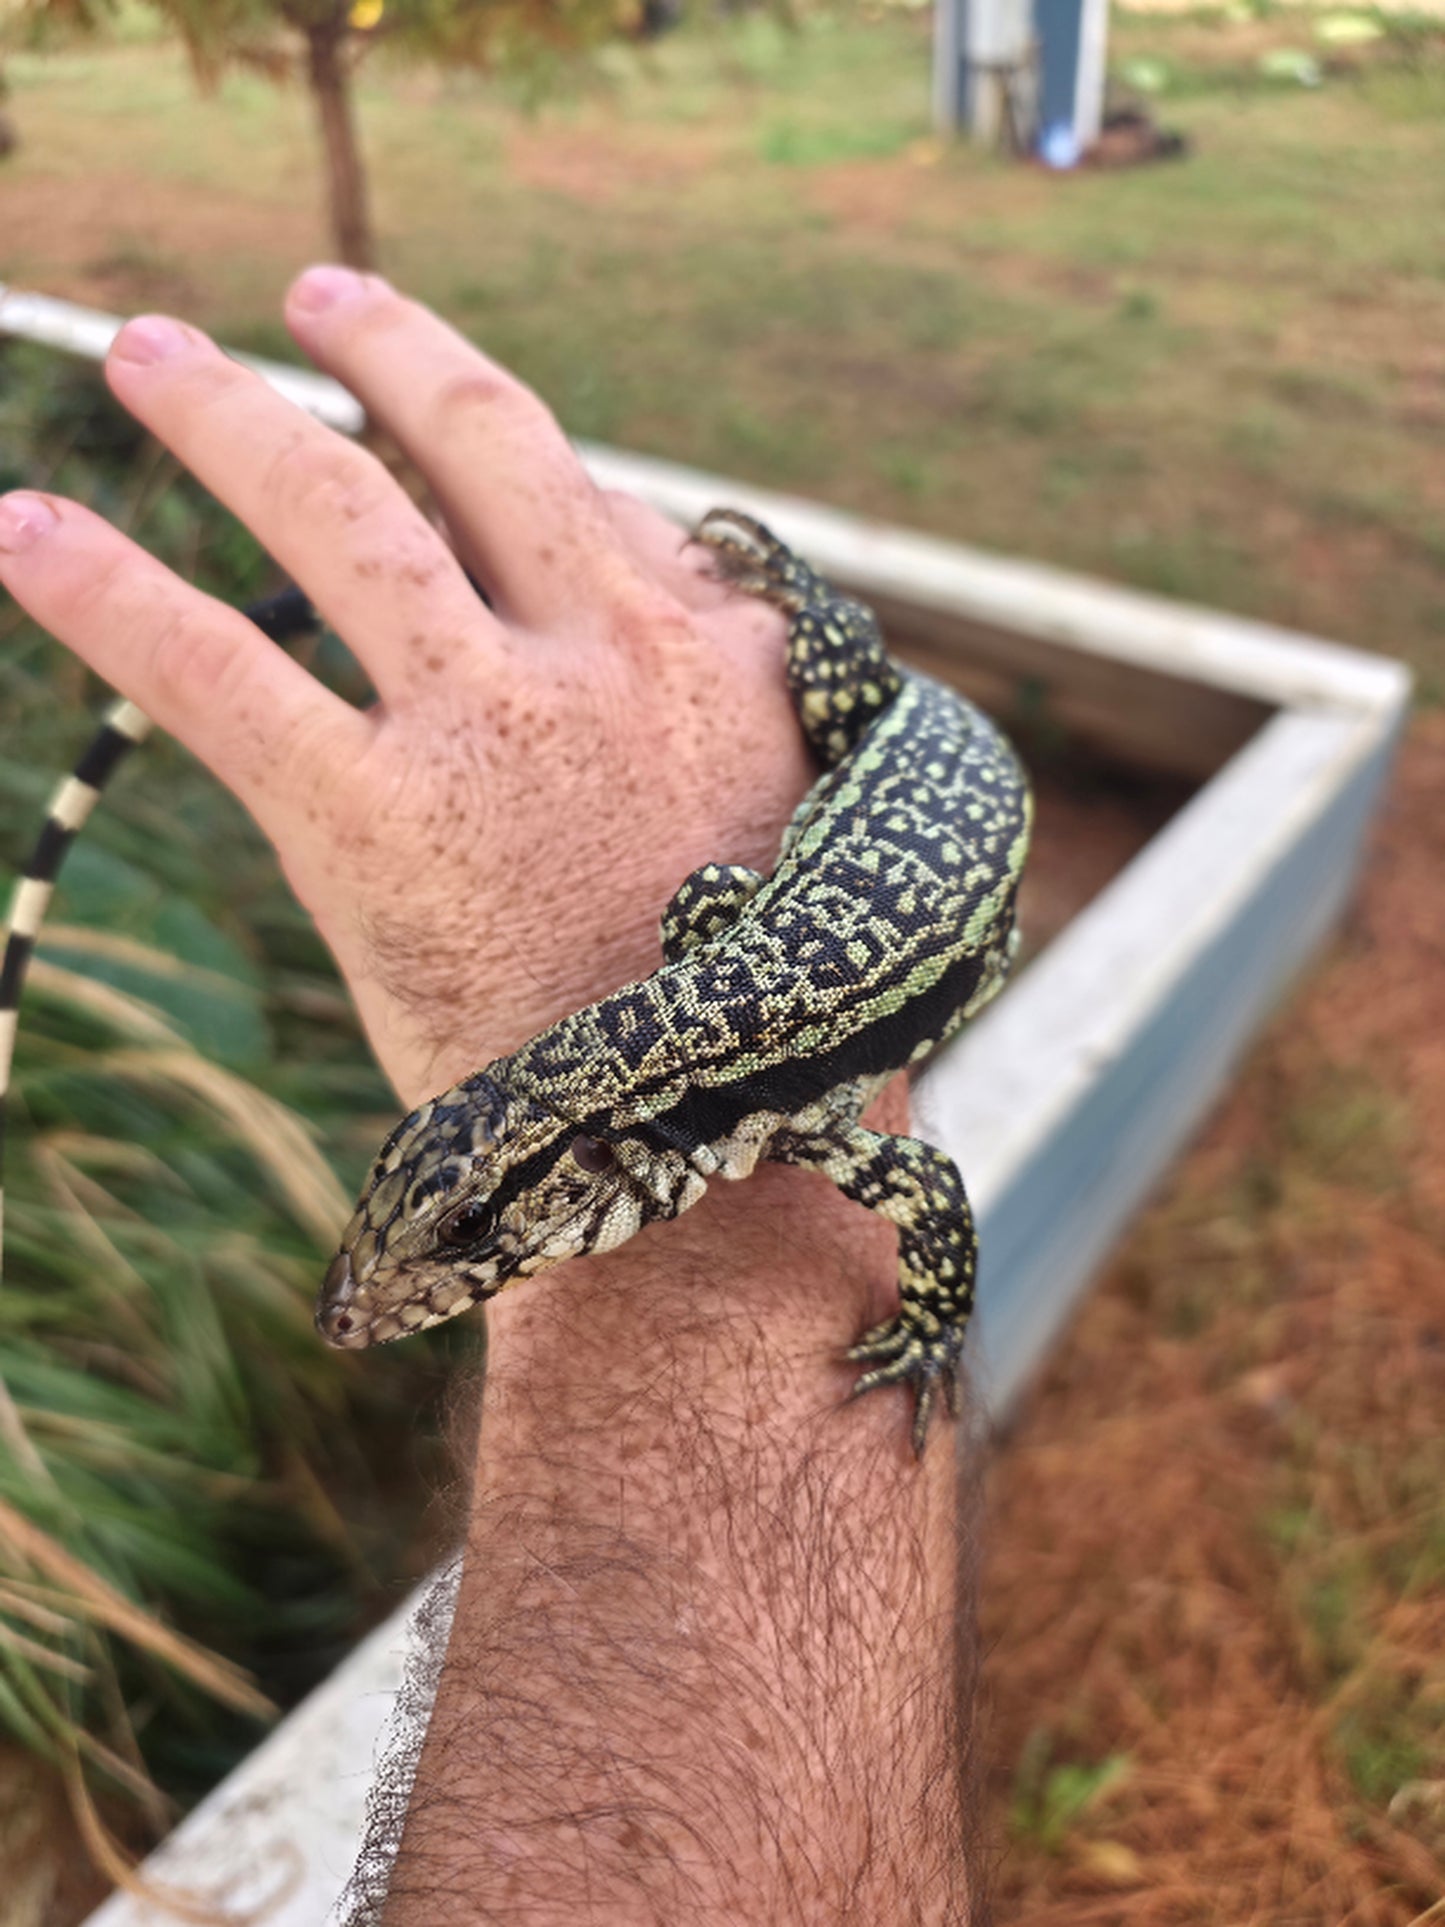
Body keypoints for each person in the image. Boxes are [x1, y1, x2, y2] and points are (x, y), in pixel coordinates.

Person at [0, 268, 979, 1925]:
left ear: (592, 1166)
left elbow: (926, 1199)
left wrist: (923, 1325)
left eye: (463, 1247)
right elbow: (706, 915)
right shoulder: (746, 1087)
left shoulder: (804, 1111)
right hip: (876, 841)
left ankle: (809, 601)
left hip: (918, 749)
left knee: (834, 676)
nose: (392, 1297)